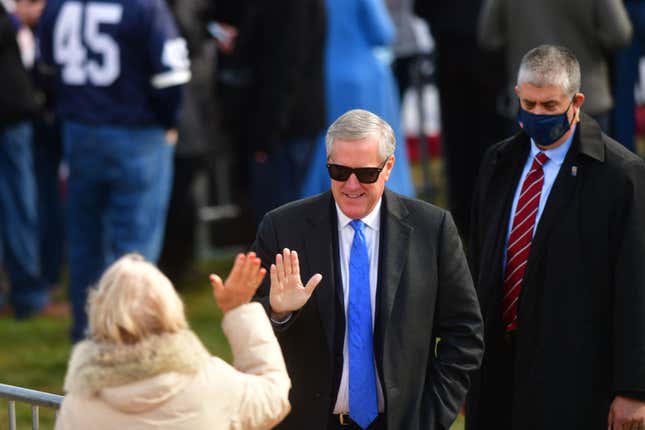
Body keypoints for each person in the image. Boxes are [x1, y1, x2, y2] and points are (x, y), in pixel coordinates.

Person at [252, 109, 484, 429]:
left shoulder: (433, 229)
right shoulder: (282, 228)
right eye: (338, 170)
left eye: (365, 173)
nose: (351, 185)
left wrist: (430, 417)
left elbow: (465, 332)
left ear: (388, 167)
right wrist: (277, 311)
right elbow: (246, 324)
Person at [466, 45, 645, 430]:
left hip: (576, 375)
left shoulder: (620, 176)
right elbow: (477, 261)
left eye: (549, 106)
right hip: (497, 366)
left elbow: (636, 284)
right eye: (528, 104)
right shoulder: (499, 163)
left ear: (577, 102)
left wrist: (634, 387)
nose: (537, 115)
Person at [37, 0, 191, 341]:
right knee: (135, 249)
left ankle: (86, 333)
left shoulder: (59, 5)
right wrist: (169, 122)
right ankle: (126, 339)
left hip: (80, 131)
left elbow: (44, 70)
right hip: (136, 133)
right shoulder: (146, 7)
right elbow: (172, 77)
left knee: (84, 242)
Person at [54, 252, 291, 430]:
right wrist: (239, 311)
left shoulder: (78, 404)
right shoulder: (212, 382)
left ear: (98, 314)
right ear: (171, 308)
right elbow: (274, 396)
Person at [300, 0, 415, 200]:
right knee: (376, 146)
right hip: (366, 79)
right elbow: (383, 32)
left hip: (326, 76)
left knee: (332, 146)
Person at [478, 0, 632, 133]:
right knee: (588, 166)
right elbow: (619, 34)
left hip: (529, 102)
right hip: (585, 98)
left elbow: (489, 36)